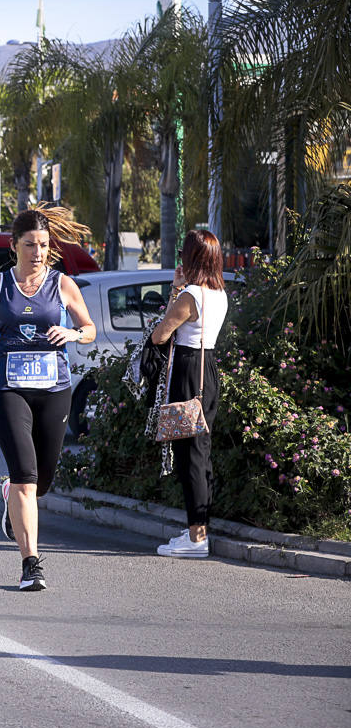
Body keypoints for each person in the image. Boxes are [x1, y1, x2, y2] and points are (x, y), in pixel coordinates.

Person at [0, 204, 96, 591]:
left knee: (44, 480)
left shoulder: (62, 284)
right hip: (9, 388)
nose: (38, 252)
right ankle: (31, 564)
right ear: (14, 245)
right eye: (30, 244)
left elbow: (89, 329)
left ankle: (10, 497)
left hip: (54, 389)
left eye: (44, 245)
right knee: (25, 476)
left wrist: (71, 335)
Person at [149, 229, 228, 559]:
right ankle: (199, 528)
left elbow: (159, 335)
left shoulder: (190, 295)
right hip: (207, 369)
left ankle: (196, 538)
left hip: (187, 371)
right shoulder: (220, 293)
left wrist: (176, 289)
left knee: (190, 455)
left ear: (191, 258)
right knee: (201, 451)